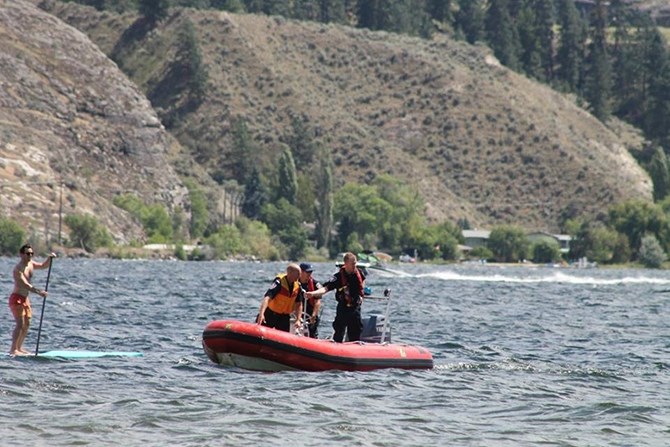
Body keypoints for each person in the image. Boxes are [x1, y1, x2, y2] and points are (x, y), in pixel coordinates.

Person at [305, 252, 366, 342]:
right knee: (339, 331)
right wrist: (313, 293)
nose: (354, 265)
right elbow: (326, 288)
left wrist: (361, 295)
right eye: (352, 264)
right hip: (343, 307)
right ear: (346, 264)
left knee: (355, 332)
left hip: (355, 307)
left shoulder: (358, 273)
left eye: (355, 263)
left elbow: (362, 282)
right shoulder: (338, 277)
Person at [9, 244, 56, 356]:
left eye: (31, 253)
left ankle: (19, 348)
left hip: (25, 299)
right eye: (27, 254)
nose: (30, 256)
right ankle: (13, 349)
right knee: (20, 324)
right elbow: (25, 285)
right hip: (17, 299)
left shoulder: (31, 264)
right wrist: (39, 292)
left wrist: (49, 259)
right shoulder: (18, 269)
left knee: (27, 324)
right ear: (21, 254)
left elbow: (43, 266)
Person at [256, 263, 304, 333]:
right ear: (290, 273)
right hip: (271, 314)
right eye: (298, 274)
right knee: (260, 332)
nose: (299, 276)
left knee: (284, 336)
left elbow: (299, 303)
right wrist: (261, 314)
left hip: (284, 317)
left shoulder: (298, 286)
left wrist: (298, 319)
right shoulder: (279, 283)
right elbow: (267, 298)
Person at [298, 262, 323, 338]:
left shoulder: (315, 285)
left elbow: (317, 301)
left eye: (311, 272)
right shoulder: (295, 282)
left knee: (312, 332)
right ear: (301, 272)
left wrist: (314, 315)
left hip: (309, 312)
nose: (309, 274)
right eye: (307, 272)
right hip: (296, 311)